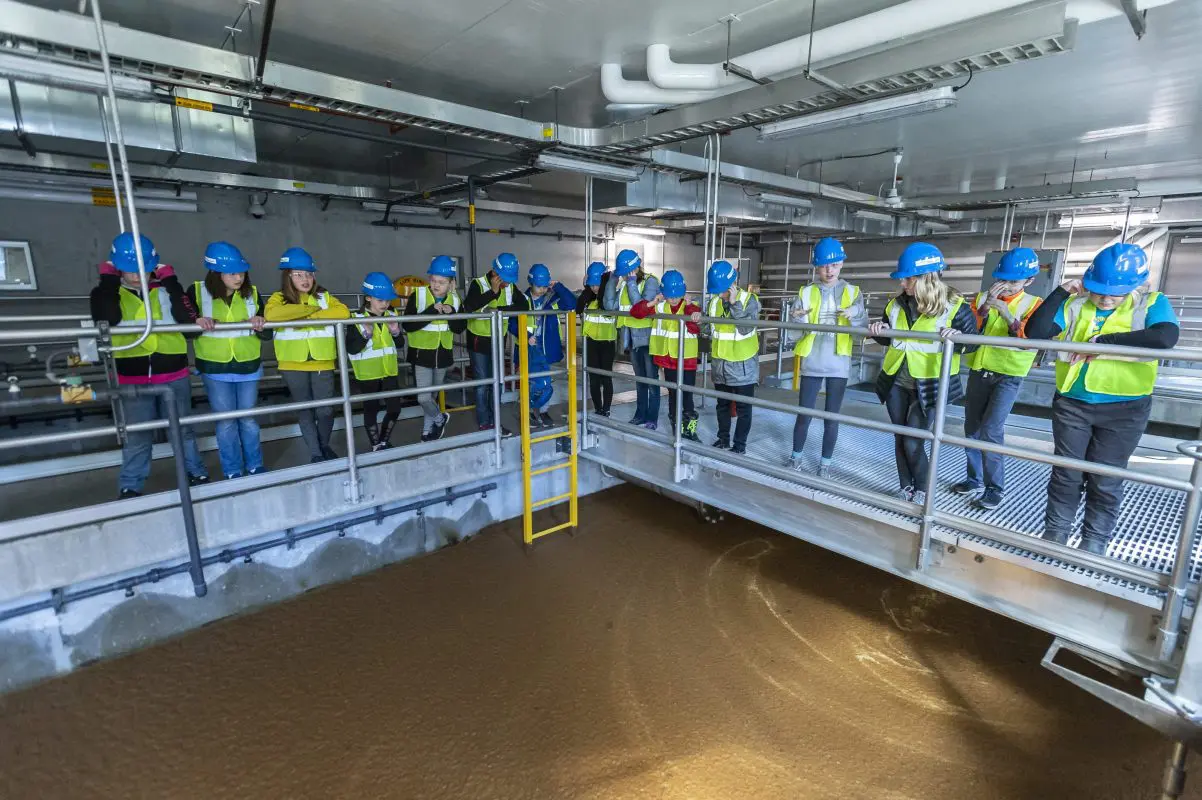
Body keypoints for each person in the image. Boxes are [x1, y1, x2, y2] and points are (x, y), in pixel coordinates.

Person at [1026, 243, 1179, 555]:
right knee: (1065, 472)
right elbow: (1037, 331)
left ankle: (1094, 544)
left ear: (1136, 286)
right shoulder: (1076, 305)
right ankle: (1054, 538)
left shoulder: (1151, 303)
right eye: (1099, 291)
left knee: (1105, 478)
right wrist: (1060, 292)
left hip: (1125, 409)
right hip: (1073, 404)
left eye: (1116, 293)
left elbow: (1164, 337)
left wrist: (1102, 342)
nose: (1106, 298)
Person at [90, 232, 210, 498]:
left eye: (143, 270)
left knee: (183, 430)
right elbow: (107, 319)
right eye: (130, 270)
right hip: (133, 377)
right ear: (116, 267)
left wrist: (172, 283)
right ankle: (131, 485)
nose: (136, 276)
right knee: (137, 436)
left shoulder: (167, 291)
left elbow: (190, 326)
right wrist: (108, 282)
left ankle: (195, 472)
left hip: (174, 373)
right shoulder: (106, 293)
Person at [868, 242, 979, 502]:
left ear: (927, 278)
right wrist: (878, 331)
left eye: (909, 278)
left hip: (930, 384)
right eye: (904, 278)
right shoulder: (895, 305)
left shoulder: (956, 306)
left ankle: (922, 489)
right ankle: (905, 485)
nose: (904, 283)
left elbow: (971, 343)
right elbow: (891, 339)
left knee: (913, 440)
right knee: (901, 435)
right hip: (896, 380)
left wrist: (958, 338)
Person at [951, 247, 1043, 510]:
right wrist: (982, 310)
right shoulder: (981, 298)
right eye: (1003, 279)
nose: (1006, 286)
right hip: (980, 370)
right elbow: (967, 330)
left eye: (1014, 282)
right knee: (972, 428)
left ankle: (994, 488)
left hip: (1009, 374)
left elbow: (1028, 341)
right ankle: (974, 479)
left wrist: (1005, 313)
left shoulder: (1035, 305)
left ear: (1029, 281)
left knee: (991, 429)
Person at [187, 241, 270, 480]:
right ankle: (233, 470)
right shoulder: (196, 291)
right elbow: (185, 329)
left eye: (241, 272)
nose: (239, 278)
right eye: (232, 273)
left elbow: (268, 333)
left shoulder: (252, 294)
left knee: (248, 420)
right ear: (216, 273)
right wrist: (197, 321)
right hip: (215, 367)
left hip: (248, 364)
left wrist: (260, 324)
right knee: (225, 423)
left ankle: (255, 465)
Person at [786, 237, 868, 477]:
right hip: (813, 362)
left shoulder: (853, 292)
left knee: (831, 417)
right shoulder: (806, 291)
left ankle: (825, 465)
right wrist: (797, 317)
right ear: (816, 268)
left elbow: (863, 326)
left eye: (833, 265)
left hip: (838, 363)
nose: (829, 270)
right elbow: (794, 330)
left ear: (841, 264)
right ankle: (796, 458)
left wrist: (855, 313)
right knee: (804, 414)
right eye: (823, 266)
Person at [264, 247, 349, 463]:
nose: (305, 279)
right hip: (293, 363)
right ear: (288, 276)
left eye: (309, 274)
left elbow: (343, 312)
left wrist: (306, 313)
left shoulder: (323, 296)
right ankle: (316, 453)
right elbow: (273, 315)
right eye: (299, 274)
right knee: (304, 410)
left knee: (326, 410)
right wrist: (309, 311)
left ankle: (323, 444)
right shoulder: (278, 298)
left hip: (322, 360)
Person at [402, 255, 466, 442]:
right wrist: (432, 311)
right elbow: (408, 326)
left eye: (442, 282)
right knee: (424, 398)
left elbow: (459, 328)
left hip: (443, 354)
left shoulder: (454, 300)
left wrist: (451, 314)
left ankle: (426, 432)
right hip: (421, 354)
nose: (436, 285)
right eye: (433, 280)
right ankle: (440, 419)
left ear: (451, 283)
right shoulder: (419, 295)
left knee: (432, 398)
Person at [631, 270, 700, 438]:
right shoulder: (660, 306)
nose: (674, 299)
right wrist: (652, 302)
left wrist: (691, 309)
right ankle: (676, 428)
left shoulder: (690, 306)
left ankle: (690, 430)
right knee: (673, 395)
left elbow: (695, 328)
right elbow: (636, 312)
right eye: (670, 296)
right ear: (664, 293)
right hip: (669, 360)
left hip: (687, 360)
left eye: (677, 296)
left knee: (687, 396)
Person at [463, 252, 526, 433]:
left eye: (509, 279)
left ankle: (496, 421)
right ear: (494, 272)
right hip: (478, 342)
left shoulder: (511, 288)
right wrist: (493, 292)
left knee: (497, 383)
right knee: (482, 384)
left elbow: (523, 306)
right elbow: (469, 306)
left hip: (498, 341)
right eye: (504, 279)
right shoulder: (478, 284)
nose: (507, 283)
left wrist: (499, 309)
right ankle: (484, 422)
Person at [509, 263, 576, 430]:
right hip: (528, 349)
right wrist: (526, 336)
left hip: (546, 349)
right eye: (539, 286)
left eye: (545, 286)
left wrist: (558, 287)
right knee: (535, 383)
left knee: (546, 383)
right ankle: (526, 410)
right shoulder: (522, 300)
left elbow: (571, 304)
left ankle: (543, 411)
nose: (542, 290)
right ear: (531, 283)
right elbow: (511, 323)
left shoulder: (552, 298)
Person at [704, 260, 761, 455]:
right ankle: (723, 439)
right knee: (722, 405)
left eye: (722, 290)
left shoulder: (749, 300)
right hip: (721, 365)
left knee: (744, 408)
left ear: (732, 284)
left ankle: (739, 445)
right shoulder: (713, 302)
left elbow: (746, 328)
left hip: (743, 366)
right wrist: (696, 317)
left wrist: (734, 304)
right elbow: (708, 328)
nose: (719, 295)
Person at [346, 272, 403, 451]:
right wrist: (366, 334)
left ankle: (384, 440)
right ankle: (376, 444)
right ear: (368, 298)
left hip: (389, 371)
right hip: (368, 374)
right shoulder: (356, 319)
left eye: (387, 300)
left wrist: (396, 332)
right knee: (371, 410)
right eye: (380, 300)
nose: (385, 304)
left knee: (395, 408)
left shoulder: (391, 314)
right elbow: (351, 348)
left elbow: (399, 344)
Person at [603, 249, 660, 426]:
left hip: (648, 339)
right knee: (640, 380)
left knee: (651, 380)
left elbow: (641, 308)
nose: (626, 276)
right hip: (633, 340)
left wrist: (632, 283)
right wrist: (612, 282)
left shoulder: (650, 281)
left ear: (635, 268)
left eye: (627, 273)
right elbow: (609, 305)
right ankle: (640, 414)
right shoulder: (624, 285)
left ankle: (652, 417)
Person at [577, 261, 616, 416]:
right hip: (590, 342)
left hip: (607, 343)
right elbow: (577, 306)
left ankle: (606, 409)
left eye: (597, 284)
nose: (594, 288)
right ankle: (598, 408)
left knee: (606, 377)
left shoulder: (609, 299)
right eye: (591, 285)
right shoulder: (586, 299)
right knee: (593, 378)